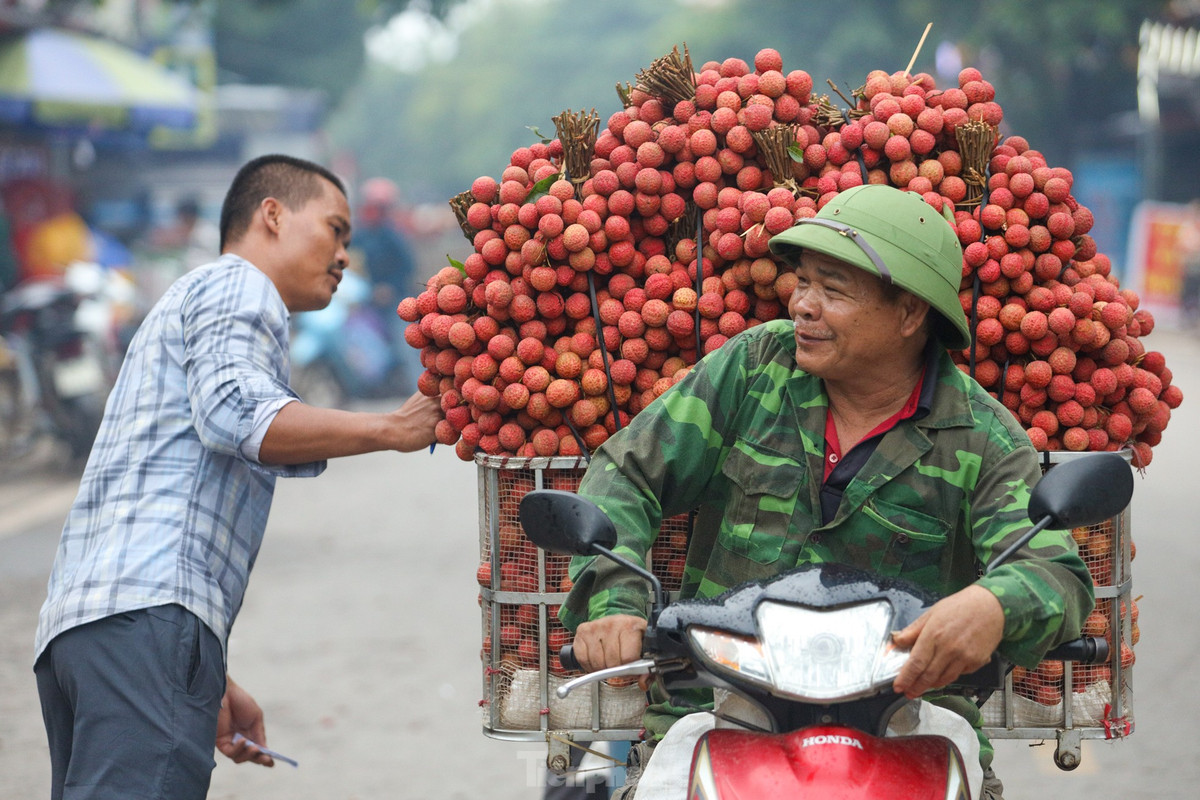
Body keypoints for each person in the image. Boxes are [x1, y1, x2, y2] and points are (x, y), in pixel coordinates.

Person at [559, 184, 1095, 800]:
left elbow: (1055, 573)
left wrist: (995, 604)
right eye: (804, 282)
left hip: (909, 724)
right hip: (722, 708)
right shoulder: (755, 370)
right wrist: (616, 601)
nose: (803, 306)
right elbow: (627, 473)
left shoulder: (980, 436)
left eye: (833, 289)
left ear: (910, 314)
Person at [32, 154, 442, 800]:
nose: (343, 256)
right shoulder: (240, 285)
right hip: (141, 624)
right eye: (335, 229)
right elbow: (235, 415)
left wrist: (202, 669)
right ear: (271, 215)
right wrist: (391, 430)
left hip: (90, 632)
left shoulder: (192, 298)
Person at [352, 177, 422, 393]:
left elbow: (409, 267)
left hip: (396, 300)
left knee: (406, 345)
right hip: (368, 302)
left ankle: (416, 393)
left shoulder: (392, 235)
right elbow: (352, 263)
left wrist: (390, 288)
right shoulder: (360, 236)